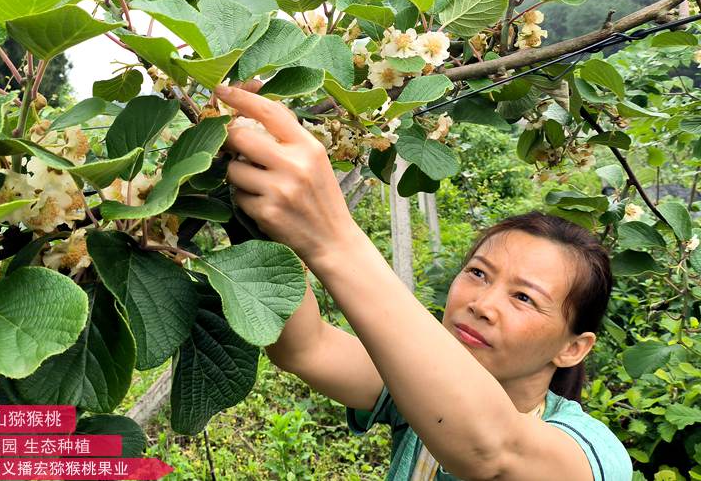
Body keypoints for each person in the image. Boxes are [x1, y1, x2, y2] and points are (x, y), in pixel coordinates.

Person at [214, 82, 633, 481]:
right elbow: (306, 348)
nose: (483, 304)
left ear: (573, 348)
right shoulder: (411, 389)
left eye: (523, 297)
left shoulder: (597, 455)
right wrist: (254, 206)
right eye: (478, 273)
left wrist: (332, 240)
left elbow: (494, 453)